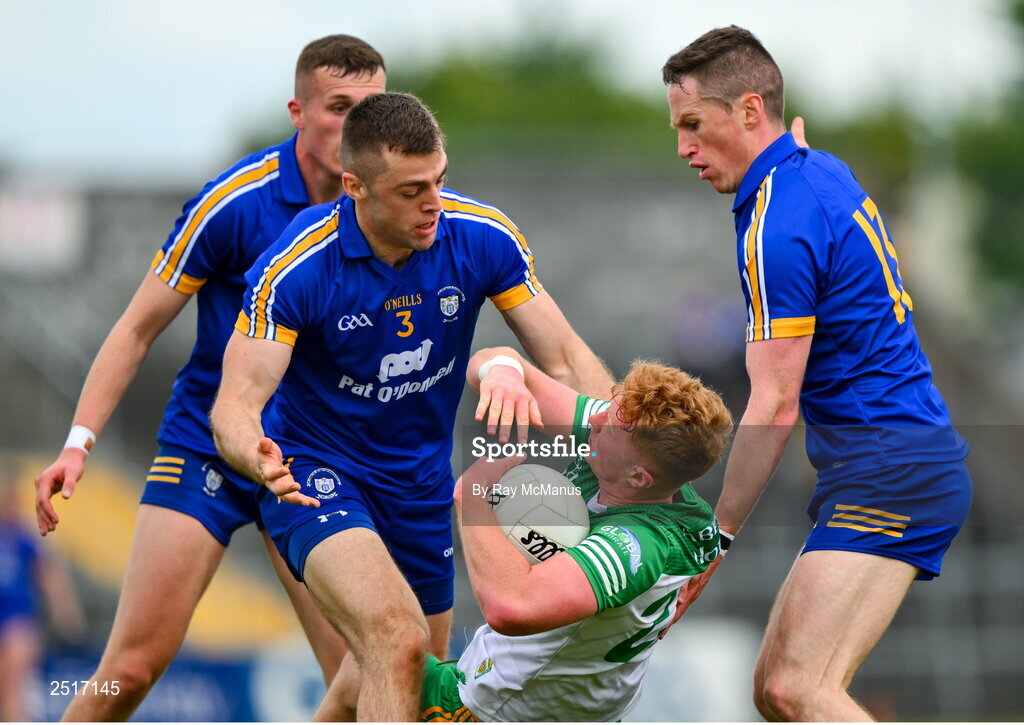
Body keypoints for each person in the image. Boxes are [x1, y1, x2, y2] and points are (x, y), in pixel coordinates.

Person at [210, 91, 613, 721]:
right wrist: (253, 453)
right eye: (410, 191)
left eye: (440, 180)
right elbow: (234, 404)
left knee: (401, 676)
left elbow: (563, 358)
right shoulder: (296, 270)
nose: (434, 204)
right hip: (315, 476)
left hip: (420, 485)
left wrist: (631, 456)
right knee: (397, 643)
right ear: (355, 187)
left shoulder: (481, 238)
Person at [33, 34, 387, 720]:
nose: (355, 127)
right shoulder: (237, 201)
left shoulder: (390, 210)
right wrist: (78, 442)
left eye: (370, 110)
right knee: (128, 670)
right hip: (207, 445)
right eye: (339, 107)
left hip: (312, 459)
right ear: (298, 110)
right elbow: (136, 328)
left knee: (361, 672)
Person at [662, 26, 972, 721]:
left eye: (692, 125)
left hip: (891, 469)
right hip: (889, 464)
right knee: (774, 687)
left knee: (797, 689)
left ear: (748, 111)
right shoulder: (816, 167)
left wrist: (717, 538)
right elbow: (794, 156)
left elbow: (774, 401)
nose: (682, 148)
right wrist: (784, 144)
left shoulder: (777, 221)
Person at [404, 346, 731, 721]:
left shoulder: (639, 543)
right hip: (573, 706)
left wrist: (473, 496)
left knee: (392, 656)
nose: (596, 419)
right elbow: (496, 362)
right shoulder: (637, 465)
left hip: (503, 709)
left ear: (638, 477)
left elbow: (512, 607)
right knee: (370, 667)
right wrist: (503, 373)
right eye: (611, 406)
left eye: (610, 427)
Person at [0, 466, 84, 721]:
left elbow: (51, 576)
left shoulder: (23, 537)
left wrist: (67, 617)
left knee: (12, 685)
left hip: (17, 621)